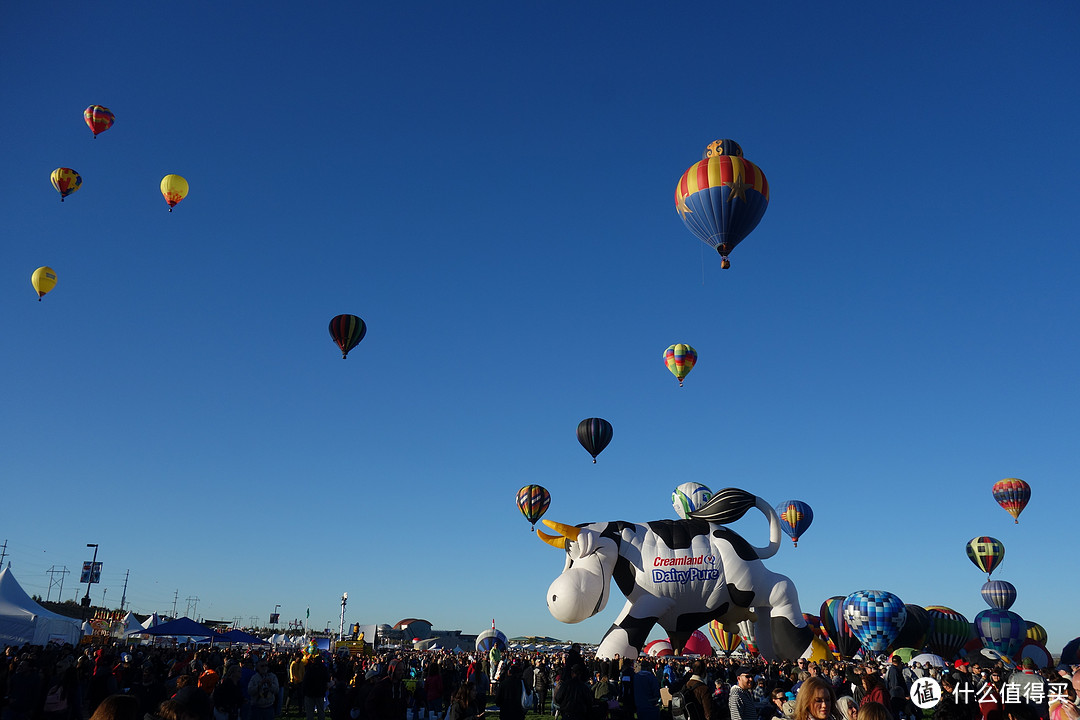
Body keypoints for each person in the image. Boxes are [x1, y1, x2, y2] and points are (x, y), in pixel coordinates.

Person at [304, 655, 332, 720]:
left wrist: (305, 691)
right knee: (320, 710)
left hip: (310, 692)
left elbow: (305, 680)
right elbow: (327, 679)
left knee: (310, 711)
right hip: (320, 692)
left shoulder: (310, 668)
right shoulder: (324, 668)